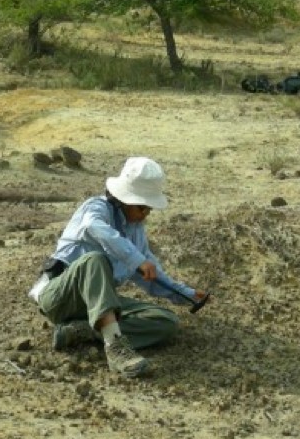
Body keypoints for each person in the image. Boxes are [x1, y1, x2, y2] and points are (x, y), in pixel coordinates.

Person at [28, 156, 208, 378]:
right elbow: (94, 227)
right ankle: (115, 347)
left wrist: (186, 294)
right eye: (142, 207)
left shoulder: (135, 231)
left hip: (99, 305)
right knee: (94, 260)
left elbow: (151, 275)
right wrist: (136, 259)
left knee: (166, 322)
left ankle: (83, 330)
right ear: (125, 200)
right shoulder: (95, 209)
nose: (146, 214)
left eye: (149, 208)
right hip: (60, 298)